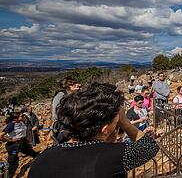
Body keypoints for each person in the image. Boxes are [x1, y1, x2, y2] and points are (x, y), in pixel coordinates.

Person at [29, 83, 160, 178]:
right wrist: (125, 122)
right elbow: (149, 146)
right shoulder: (111, 157)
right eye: (116, 121)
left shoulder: (43, 157)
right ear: (105, 129)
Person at [1, 112, 38, 178]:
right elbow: (1, 135)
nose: (23, 117)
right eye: (21, 116)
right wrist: (11, 140)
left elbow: (27, 119)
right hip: (14, 145)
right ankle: (9, 176)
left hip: (22, 142)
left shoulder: (21, 121)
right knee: (13, 162)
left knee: (30, 151)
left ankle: (38, 158)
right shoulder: (11, 125)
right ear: (15, 119)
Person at [51, 76, 81, 144]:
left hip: (74, 122)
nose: (78, 85)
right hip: (64, 124)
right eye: (76, 84)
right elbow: (55, 111)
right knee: (61, 142)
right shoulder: (61, 95)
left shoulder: (76, 95)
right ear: (70, 85)